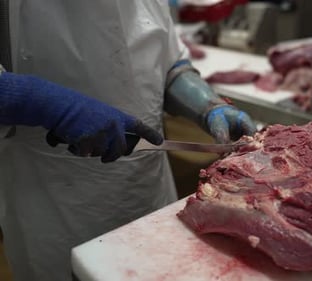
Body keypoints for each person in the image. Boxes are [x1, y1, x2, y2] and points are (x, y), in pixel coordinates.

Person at [0, 1, 256, 281]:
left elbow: (165, 61)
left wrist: (207, 105)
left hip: (147, 184)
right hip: (54, 200)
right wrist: (33, 100)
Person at [0, 64, 164, 162]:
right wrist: (27, 96)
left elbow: (165, 58)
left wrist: (186, 88)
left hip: (145, 171)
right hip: (42, 172)